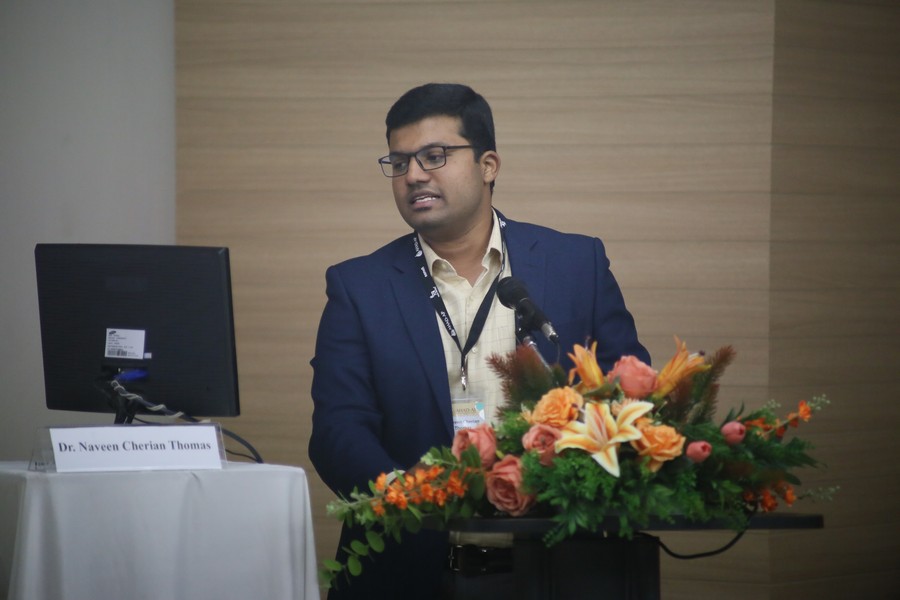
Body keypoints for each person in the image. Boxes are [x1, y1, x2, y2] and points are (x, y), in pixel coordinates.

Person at [309, 83, 650, 599]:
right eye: (399, 162)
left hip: (560, 567)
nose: (414, 175)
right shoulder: (360, 286)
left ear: (488, 165)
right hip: (410, 571)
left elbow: (631, 397)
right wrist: (404, 493)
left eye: (434, 156)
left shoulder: (576, 265)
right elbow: (338, 429)